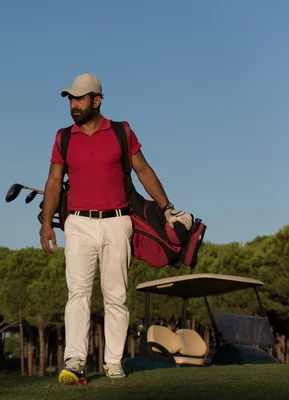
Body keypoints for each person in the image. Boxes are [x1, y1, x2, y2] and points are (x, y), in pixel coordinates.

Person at [39, 73, 192, 384]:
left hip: (118, 222)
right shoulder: (63, 137)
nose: (73, 104)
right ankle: (75, 360)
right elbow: (54, 182)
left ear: (97, 100)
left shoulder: (122, 132)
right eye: (70, 99)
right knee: (77, 294)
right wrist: (46, 223)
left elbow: (144, 170)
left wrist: (166, 208)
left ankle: (113, 363)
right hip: (79, 223)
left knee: (116, 297)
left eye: (80, 98)